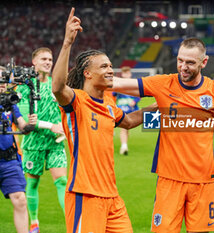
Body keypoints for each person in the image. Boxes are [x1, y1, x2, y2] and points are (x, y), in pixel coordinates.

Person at [111, 37, 214, 232]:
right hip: (170, 180)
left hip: (203, 180)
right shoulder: (163, 84)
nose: (183, 67)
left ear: (204, 62)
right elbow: (118, 84)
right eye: (180, 60)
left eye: (190, 62)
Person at [51, 8, 157, 233]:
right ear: (87, 73)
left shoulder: (108, 104)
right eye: (104, 67)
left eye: (110, 66)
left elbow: (128, 121)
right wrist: (68, 43)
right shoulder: (76, 101)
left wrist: (161, 106)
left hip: (112, 197)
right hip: (85, 195)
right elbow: (58, 87)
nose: (111, 70)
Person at [16, 47, 67, 233]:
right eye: (44, 59)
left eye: (50, 59)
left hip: (55, 142)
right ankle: (34, 222)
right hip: (33, 143)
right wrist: (50, 126)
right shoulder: (24, 87)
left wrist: (64, 128)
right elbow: (25, 121)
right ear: (34, 63)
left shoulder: (57, 85)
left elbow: (66, 110)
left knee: (62, 181)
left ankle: (71, 223)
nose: (48, 62)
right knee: (33, 183)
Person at [0, 72, 38, 233]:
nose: (1, 83)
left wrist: (30, 124)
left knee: (21, 200)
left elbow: (23, 127)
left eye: (3, 80)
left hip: (8, 160)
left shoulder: (10, 102)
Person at [114, 66, 140, 155]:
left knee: (127, 127)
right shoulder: (118, 84)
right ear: (122, 74)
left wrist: (135, 101)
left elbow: (139, 94)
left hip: (132, 109)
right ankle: (124, 146)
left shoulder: (134, 83)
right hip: (122, 109)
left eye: (127, 73)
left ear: (130, 74)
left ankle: (124, 144)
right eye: (124, 73)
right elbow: (113, 94)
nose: (126, 75)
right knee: (123, 128)